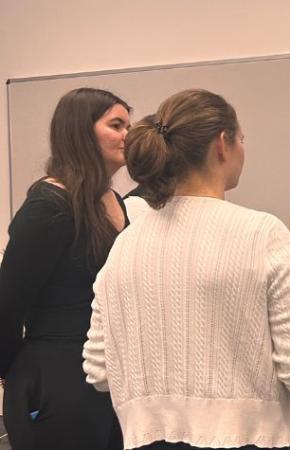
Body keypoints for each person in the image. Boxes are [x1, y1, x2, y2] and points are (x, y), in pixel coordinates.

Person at [82, 89, 290, 450]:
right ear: (222, 144)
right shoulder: (263, 234)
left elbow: (99, 371)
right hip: (254, 439)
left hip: (147, 439)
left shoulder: (125, 243)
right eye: (241, 139)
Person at [0, 87, 130, 450]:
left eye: (128, 126)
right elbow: (8, 302)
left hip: (106, 373)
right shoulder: (49, 205)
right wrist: (16, 372)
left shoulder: (113, 199)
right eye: (116, 125)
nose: (127, 136)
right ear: (80, 130)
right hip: (57, 377)